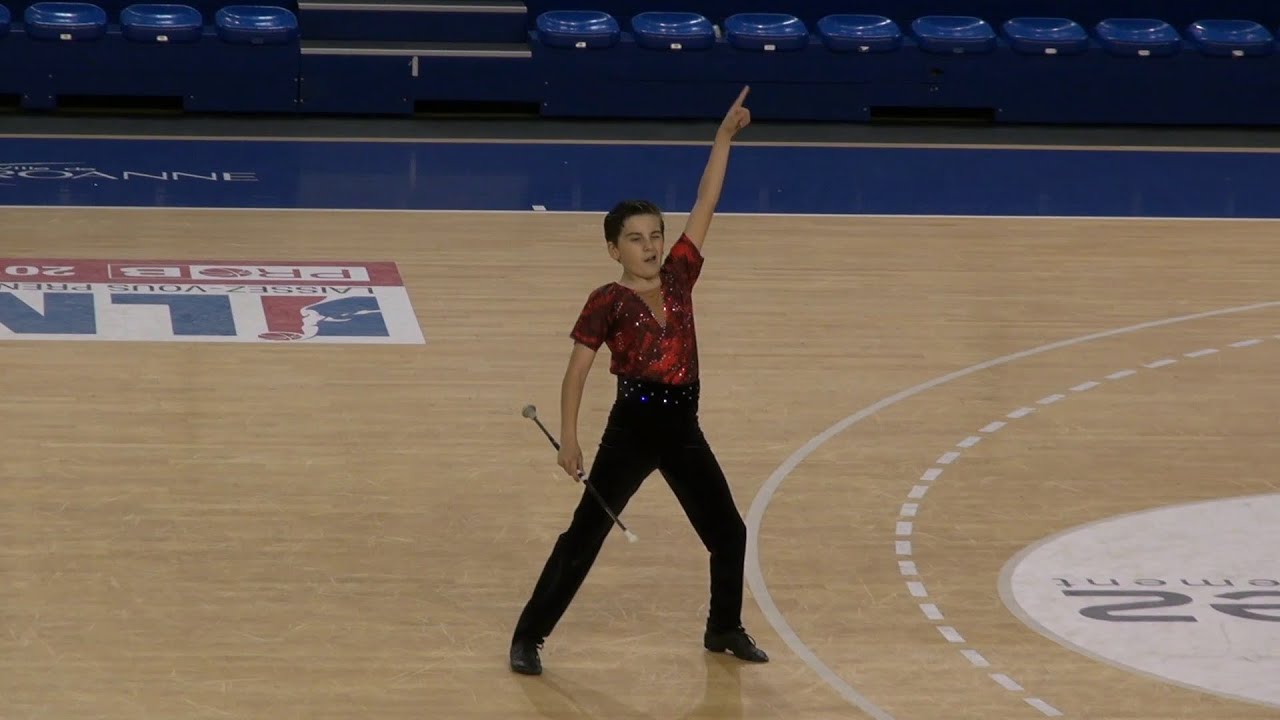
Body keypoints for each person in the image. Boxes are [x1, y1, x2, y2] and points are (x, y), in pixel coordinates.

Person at [510, 87, 768, 676]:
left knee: (729, 533)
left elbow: (706, 199)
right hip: (632, 430)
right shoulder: (606, 300)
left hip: (683, 428)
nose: (650, 246)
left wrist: (723, 139)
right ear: (613, 249)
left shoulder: (680, 275)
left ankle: (723, 627)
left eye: (655, 235)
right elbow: (576, 372)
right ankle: (528, 638)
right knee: (583, 538)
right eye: (636, 238)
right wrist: (569, 439)